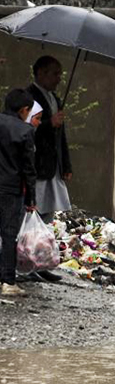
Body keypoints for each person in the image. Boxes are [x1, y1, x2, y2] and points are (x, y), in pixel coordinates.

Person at [27, 56, 70, 283]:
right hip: (37, 165)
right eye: (55, 73)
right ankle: (25, 263)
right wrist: (48, 123)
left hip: (53, 167)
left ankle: (40, 263)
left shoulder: (55, 99)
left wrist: (66, 165)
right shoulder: (29, 98)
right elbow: (25, 130)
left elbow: (61, 136)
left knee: (47, 216)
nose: (59, 78)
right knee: (31, 216)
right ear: (41, 73)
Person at [0, 89, 39, 296]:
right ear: (24, 110)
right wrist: (31, 198)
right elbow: (28, 168)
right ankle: (7, 281)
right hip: (10, 189)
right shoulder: (25, 131)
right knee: (8, 234)